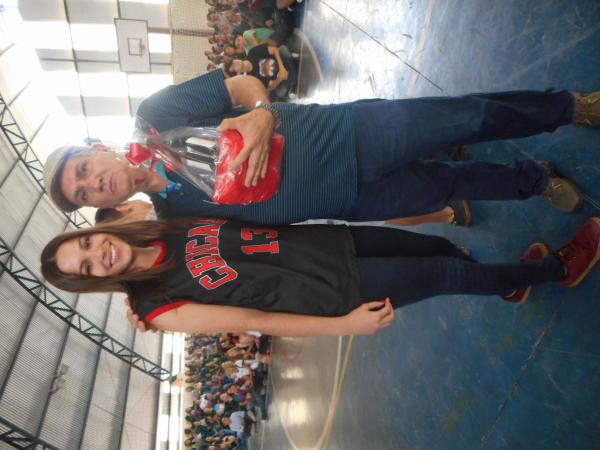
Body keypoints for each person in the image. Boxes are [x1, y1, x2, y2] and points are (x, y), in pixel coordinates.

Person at [43, 70, 596, 224]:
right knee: (450, 185)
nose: (95, 183)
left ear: (98, 147)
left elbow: (241, 86)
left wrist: (262, 113)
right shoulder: (173, 216)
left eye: (84, 169)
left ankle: (568, 108)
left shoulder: (155, 116)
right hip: (348, 202)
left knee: (467, 119)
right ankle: (533, 181)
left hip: (348, 134)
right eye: (85, 193)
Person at [40, 216, 600, 336]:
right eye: (86, 268)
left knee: (438, 247)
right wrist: (344, 327)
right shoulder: (159, 308)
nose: (98, 255)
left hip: (332, 242)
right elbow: (255, 319)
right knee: (444, 271)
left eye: (85, 244)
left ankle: (507, 282)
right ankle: (557, 268)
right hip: (336, 291)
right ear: (92, 281)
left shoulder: (160, 220)